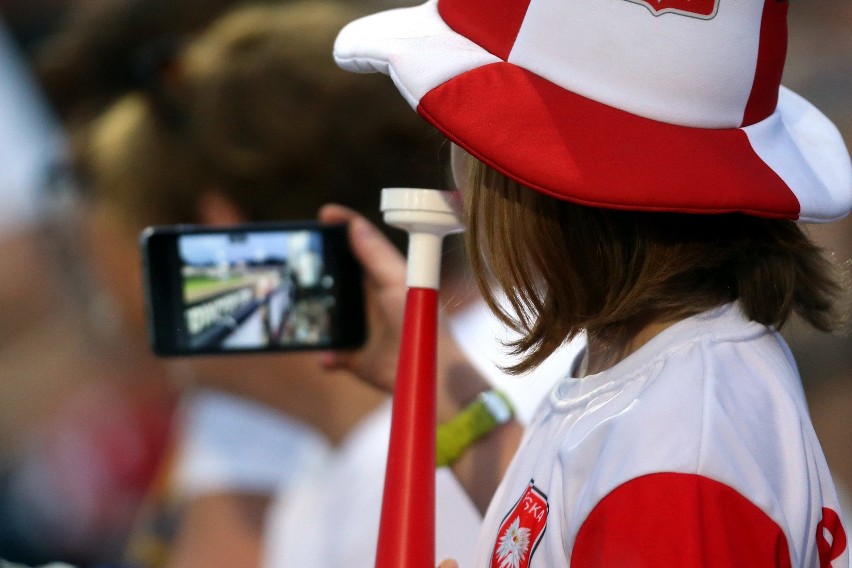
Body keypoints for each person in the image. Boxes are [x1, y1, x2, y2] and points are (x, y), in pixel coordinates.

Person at [327, 0, 852, 565]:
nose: (458, 167)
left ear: (536, 173)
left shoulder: (675, 463)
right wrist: (430, 368)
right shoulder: (666, 389)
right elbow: (575, 520)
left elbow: (636, 506)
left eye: (466, 132)